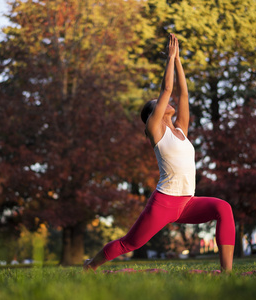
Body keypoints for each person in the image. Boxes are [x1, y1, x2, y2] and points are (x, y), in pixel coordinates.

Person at [84, 34, 235, 273]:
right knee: (129, 243)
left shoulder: (180, 130)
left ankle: (227, 273)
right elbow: (167, 88)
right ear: (154, 113)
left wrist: (178, 61)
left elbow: (183, 95)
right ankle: (91, 266)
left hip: (187, 202)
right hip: (164, 202)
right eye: (160, 102)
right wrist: (169, 58)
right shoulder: (155, 130)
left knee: (223, 208)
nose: (167, 100)